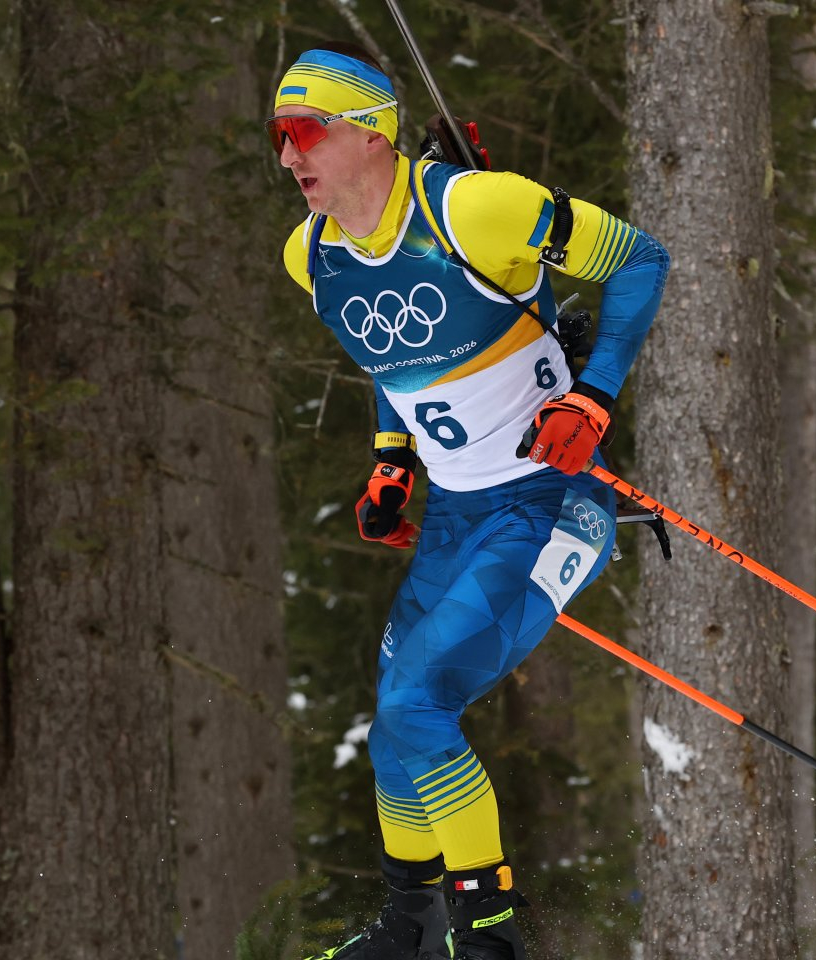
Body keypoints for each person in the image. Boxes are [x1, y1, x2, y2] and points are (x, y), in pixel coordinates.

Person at [269, 43, 668, 960]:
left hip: (550, 502)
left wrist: (592, 396)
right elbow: (394, 359)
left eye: (304, 133)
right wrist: (390, 460)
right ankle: (406, 928)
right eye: (277, 138)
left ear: (369, 136)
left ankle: (488, 937)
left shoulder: (478, 208)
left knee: (418, 709)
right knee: (392, 724)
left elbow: (642, 260)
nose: (289, 158)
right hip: (455, 515)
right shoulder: (311, 256)